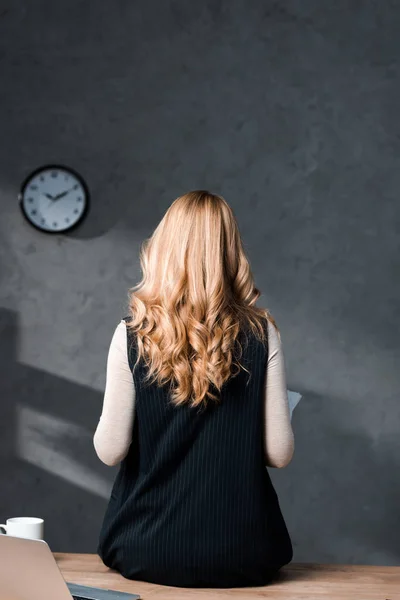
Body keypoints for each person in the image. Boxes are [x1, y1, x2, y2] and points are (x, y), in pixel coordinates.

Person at [93, 190, 294, 588]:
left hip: (144, 548)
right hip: (244, 552)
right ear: (231, 252)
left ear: (163, 248)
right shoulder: (261, 334)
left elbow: (109, 449)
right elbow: (279, 453)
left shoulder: (134, 335)